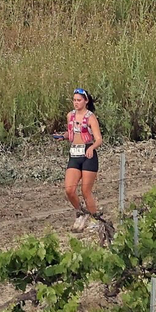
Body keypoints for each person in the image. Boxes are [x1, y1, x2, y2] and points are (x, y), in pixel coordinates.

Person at [53, 88, 104, 231]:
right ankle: (80, 212)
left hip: (88, 155)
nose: (76, 103)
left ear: (86, 101)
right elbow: (71, 134)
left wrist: (91, 147)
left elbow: (99, 139)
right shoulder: (70, 116)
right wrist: (62, 137)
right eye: (74, 100)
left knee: (86, 191)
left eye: (79, 100)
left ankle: (95, 219)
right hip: (74, 154)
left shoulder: (91, 117)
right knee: (69, 189)